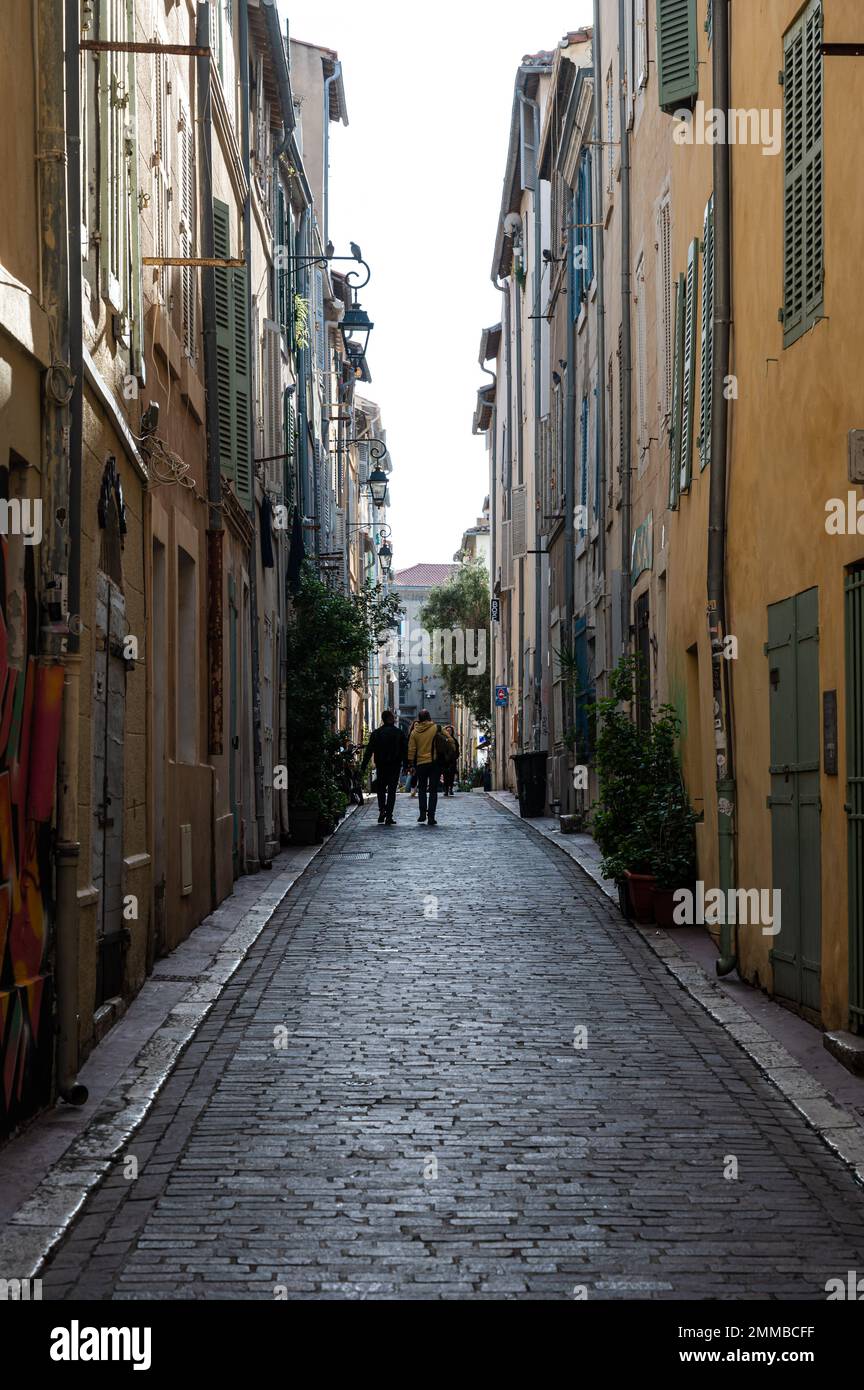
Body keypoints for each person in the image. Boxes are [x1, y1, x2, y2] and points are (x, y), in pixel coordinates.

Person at [406, 710, 454, 826]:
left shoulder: (414, 732)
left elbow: (411, 749)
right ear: (429, 717)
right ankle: (431, 816)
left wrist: (411, 764)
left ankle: (422, 814)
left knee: (422, 789)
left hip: (421, 764)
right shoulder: (437, 728)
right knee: (433, 790)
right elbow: (451, 740)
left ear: (419, 719)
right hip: (434, 763)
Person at [360, 710, 408, 825]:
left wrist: (363, 766)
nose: (395, 718)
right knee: (391, 791)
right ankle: (389, 816)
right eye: (393, 717)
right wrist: (406, 765)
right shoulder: (399, 733)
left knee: (381, 789)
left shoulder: (376, 733)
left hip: (381, 765)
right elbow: (404, 751)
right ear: (390, 719)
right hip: (394, 766)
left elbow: (369, 751)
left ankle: (382, 811)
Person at [441, 725, 460, 797]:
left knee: (451, 776)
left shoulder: (454, 740)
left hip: (452, 761)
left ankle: (451, 788)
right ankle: (446, 790)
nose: (449, 732)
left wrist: (455, 757)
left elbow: (457, 750)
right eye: (447, 730)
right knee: (445, 776)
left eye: (450, 731)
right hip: (445, 761)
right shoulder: (443, 739)